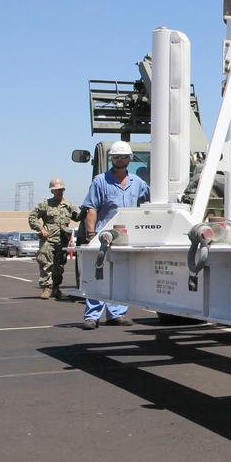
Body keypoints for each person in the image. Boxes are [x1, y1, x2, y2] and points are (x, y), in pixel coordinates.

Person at [80, 141, 150, 329]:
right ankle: (92, 316)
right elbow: (91, 208)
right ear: (112, 159)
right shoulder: (100, 181)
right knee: (98, 275)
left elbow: (147, 205)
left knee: (121, 275)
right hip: (104, 236)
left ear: (130, 158)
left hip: (127, 238)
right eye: (117, 157)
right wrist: (91, 233)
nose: (120, 160)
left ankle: (116, 314)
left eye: (124, 157)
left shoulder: (138, 183)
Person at [28, 177, 83, 301]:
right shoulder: (45, 204)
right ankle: (46, 288)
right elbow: (32, 217)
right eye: (56, 190)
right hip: (48, 240)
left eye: (61, 189)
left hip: (62, 240)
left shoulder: (68, 205)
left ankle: (56, 288)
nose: (59, 192)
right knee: (46, 264)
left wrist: (85, 210)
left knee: (59, 266)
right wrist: (41, 229)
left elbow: (77, 217)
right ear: (52, 191)